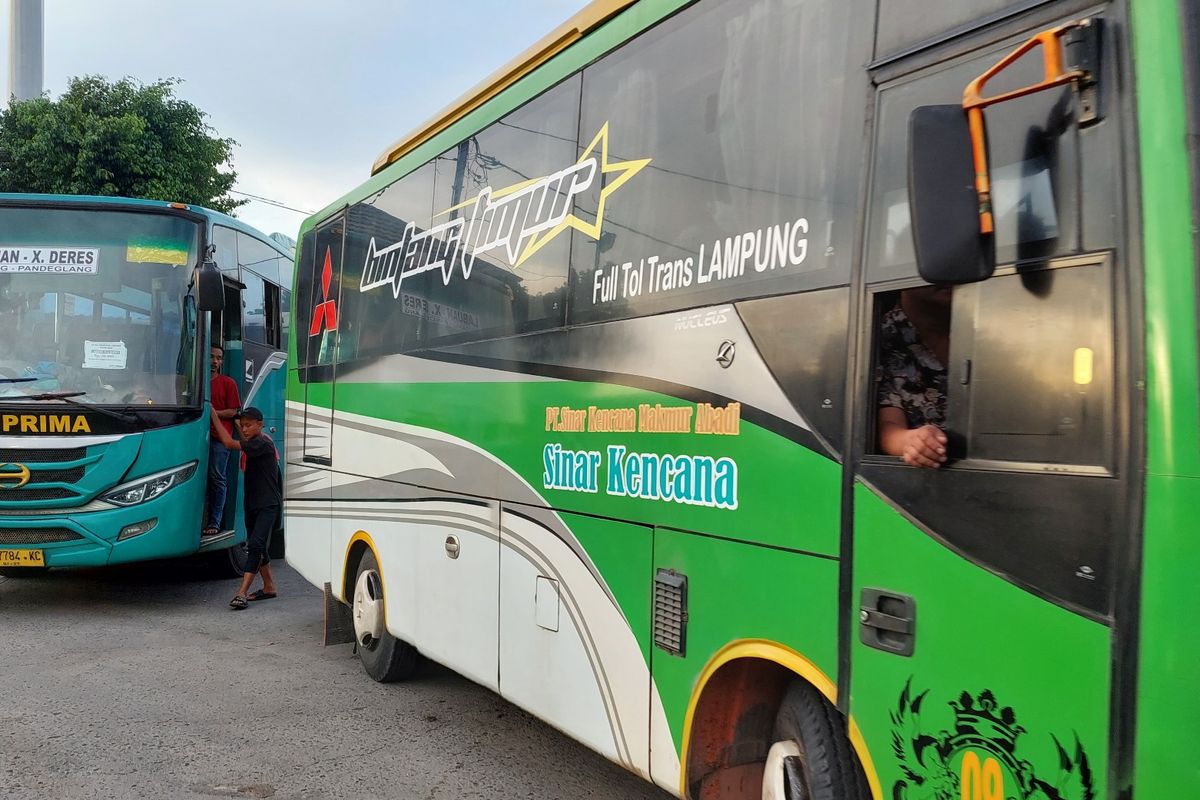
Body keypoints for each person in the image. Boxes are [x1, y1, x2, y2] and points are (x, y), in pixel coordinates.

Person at [209, 406, 281, 610]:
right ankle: (269, 587)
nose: (246, 428)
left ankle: (241, 593)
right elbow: (244, 437)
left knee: (256, 546)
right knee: (257, 545)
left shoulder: (263, 443)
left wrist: (214, 415)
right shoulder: (254, 441)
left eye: (250, 425)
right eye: (244, 425)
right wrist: (235, 420)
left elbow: (228, 442)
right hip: (253, 503)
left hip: (267, 504)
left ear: (261, 424)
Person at [877, 285, 951, 469]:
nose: (949, 276)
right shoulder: (880, 337)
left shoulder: (984, 322)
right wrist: (915, 442)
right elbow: (888, 427)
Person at [205, 345, 240, 536]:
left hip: (219, 439)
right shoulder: (196, 382)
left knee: (217, 479)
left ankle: (215, 522)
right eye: (211, 357)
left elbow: (234, 411)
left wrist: (212, 414)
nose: (214, 361)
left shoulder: (228, 383)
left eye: (218, 358)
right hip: (195, 437)